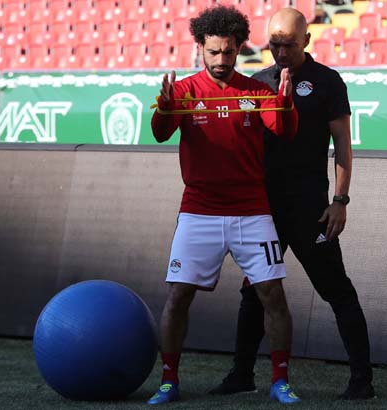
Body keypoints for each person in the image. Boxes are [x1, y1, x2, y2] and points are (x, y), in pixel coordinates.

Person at [209, 7, 375, 400]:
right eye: (274, 44)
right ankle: (242, 374)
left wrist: (340, 200)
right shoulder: (256, 82)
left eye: (289, 45)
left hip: (310, 210)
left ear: (307, 41)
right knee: (254, 292)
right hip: (262, 211)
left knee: (336, 290)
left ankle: (362, 380)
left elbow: (343, 148)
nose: (281, 52)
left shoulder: (327, 82)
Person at [147, 5, 301, 405]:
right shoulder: (183, 92)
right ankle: (169, 381)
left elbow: (283, 131)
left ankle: (280, 381)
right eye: (213, 52)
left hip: (252, 210)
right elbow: (161, 134)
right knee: (178, 296)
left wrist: (286, 103)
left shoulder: (256, 91)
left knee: (273, 296)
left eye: (228, 52)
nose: (220, 60)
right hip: (199, 211)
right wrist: (165, 108)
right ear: (200, 47)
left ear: (239, 50)